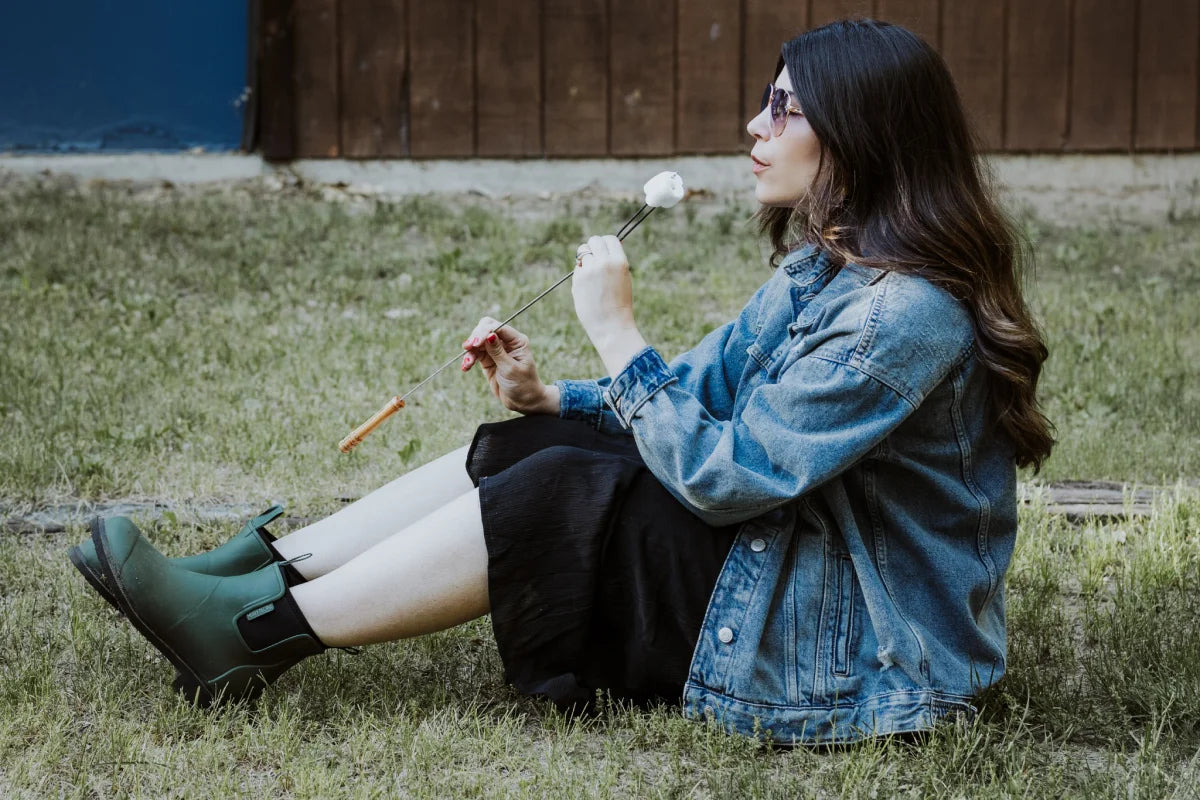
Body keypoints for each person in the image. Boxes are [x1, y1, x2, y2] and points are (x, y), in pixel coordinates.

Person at [69, 19, 1054, 745]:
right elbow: (700, 393)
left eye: (785, 109)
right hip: (801, 556)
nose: (756, 122)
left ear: (859, 134)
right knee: (535, 443)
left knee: (561, 489)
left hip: (862, 647)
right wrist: (554, 398)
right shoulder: (827, 270)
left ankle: (250, 636)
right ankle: (251, 576)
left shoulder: (903, 315)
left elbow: (727, 474)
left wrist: (617, 332)